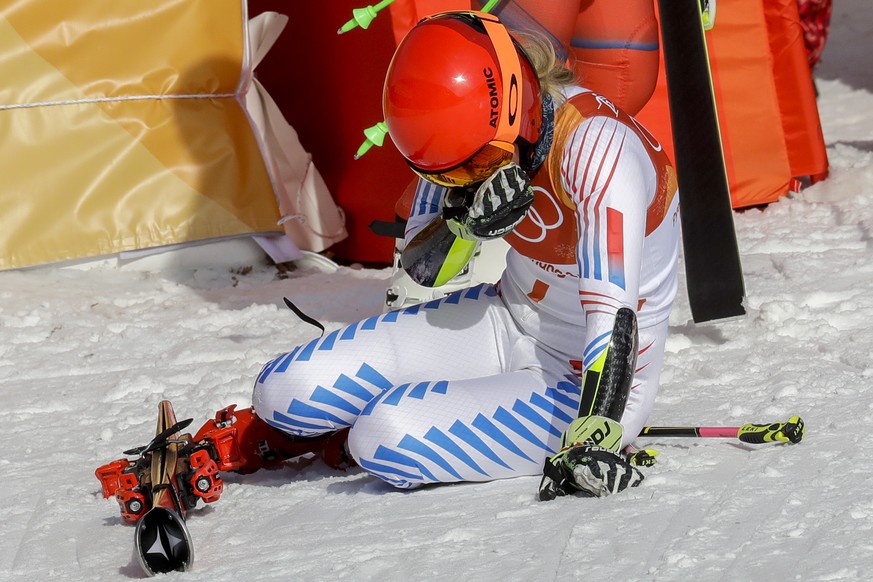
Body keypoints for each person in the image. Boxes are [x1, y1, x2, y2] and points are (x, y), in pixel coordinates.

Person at [193, 10, 680, 499]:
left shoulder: (597, 148)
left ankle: (403, 423)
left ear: (523, 111)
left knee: (381, 437)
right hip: (509, 316)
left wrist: (597, 434)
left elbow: (613, 316)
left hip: (588, 376)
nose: (468, 179)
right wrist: (462, 223)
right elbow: (424, 270)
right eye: (449, 176)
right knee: (284, 391)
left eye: (481, 164)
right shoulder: (462, 142)